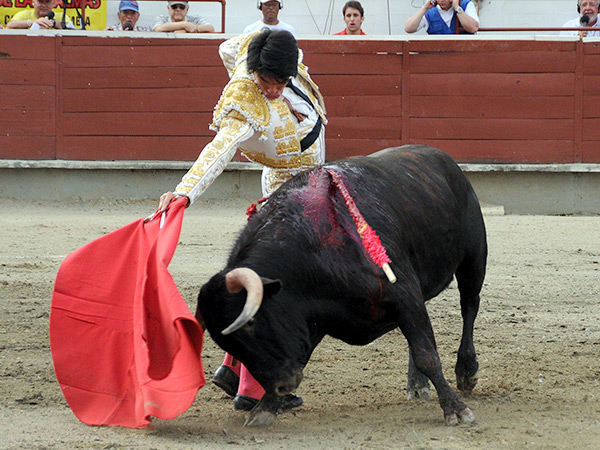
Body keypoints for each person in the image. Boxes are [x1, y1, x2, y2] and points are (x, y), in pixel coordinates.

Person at [155, 29, 326, 411]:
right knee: (285, 286)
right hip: (288, 190)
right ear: (255, 72)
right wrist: (185, 192)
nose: (275, 90)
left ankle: (232, 371)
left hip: (304, 180)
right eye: (268, 82)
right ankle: (252, 389)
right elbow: (220, 150)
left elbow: (226, 46)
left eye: (282, 81)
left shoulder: (263, 51)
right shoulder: (242, 104)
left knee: (271, 280)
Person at [404, 0, 479, 35]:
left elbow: (474, 28)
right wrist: (424, 8)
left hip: (464, 58)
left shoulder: (466, 5)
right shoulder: (430, 12)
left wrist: (457, 8)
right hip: (438, 61)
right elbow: (408, 28)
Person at [7, 0, 73, 29]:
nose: (44, 5)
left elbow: (71, 29)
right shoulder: (25, 14)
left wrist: (52, 23)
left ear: (53, 3)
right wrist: (33, 22)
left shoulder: (61, 16)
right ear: (33, 2)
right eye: (40, 1)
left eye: (47, 2)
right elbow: (10, 25)